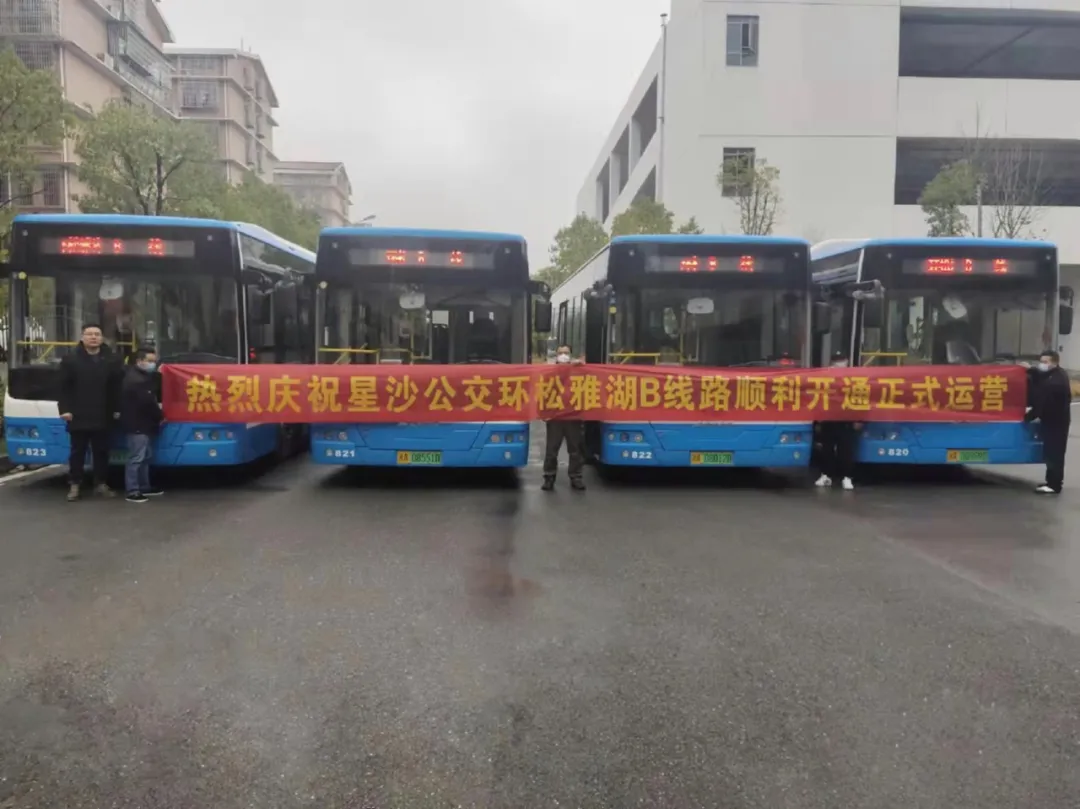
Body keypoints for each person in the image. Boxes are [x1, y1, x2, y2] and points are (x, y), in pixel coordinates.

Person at [58, 323, 121, 501]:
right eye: (89, 334)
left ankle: (100, 484)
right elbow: (63, 387)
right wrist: (65, 409)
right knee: (77, 451)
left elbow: (116, 387)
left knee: (102, 451)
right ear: (82, 338)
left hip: (103, 413)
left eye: (97, 334)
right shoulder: (70, 359)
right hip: (78, 414)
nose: (93, 337)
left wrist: (117, 409)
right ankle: (75, 485)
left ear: (102, 338)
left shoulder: (111, 359)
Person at [120, 347, 164, 503]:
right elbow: (147, 403)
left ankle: (144, 486)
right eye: (149, 361)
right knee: (136, 458)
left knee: (145, 456)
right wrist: (160, 416)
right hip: (137, 424)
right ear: (139, 361)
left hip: (144, 424)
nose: (153, 364)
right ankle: (132, 491)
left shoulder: (144, 377)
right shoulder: (137, 380)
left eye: (154, 361)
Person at [1025, 349, 1072, 495]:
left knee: (1054, 453)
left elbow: (1042, 403)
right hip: (1053, 420)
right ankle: (1051, 481)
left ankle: (1054, 485)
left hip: (1056, 422)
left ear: (1054, 363)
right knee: (1051, 452)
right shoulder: (1054, 374)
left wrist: (1029, 416)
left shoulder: (1056, 382)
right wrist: (1030, 369)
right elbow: (1040, 375)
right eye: (1041, 361)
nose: (1042, 365)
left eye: (1045, 362)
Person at [542, 345, 586, 492]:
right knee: (551, 450)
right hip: (555, 418)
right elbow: (543, 392)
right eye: (560, 353)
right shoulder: (550, 372)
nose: (563, 355)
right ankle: (549, 477)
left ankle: (576, 477)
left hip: (573, 417)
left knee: (575, 450)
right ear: (556, 356)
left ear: (570, 355)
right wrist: (544, 413)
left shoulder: (577, 371)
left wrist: (580, 365)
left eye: (566, 353)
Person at [815, 350, 858, 491]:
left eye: (841, 361)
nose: (839, 364)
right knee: (827, 449)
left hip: (846, 420)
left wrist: (859, 419)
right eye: (836, 362)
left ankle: (847, 477)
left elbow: (860, 400)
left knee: (845, 450)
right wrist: (818, 419)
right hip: (829, 419)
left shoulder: (853, 380)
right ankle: (826, 475)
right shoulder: (825, 378)